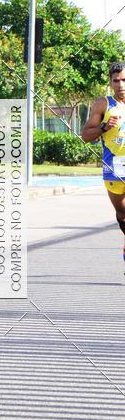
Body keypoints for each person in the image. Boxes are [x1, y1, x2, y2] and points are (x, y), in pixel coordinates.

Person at [82, 61, 125, 272]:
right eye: (116, 81)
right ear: (111, 82)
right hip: (114, 169)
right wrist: (104, 127)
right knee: (122, 213)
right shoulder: (103, 104)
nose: (120, 85)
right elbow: (85, 136)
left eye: (124, 80)